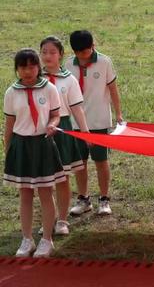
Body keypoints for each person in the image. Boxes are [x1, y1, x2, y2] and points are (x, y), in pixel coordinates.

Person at [3, 49, 64, 257]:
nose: (28, 71)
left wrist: (52, 125)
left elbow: (56, 115)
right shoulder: (11, 92)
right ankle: (27, 239)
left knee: (46, 192)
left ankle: (47, 239)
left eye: (32, 66)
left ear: (38, 67)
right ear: (17, 69)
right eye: (22, 67)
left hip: (43, 144)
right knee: (25, 193)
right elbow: (9, 123)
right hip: (21, 146)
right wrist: (8, 150)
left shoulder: (49, 88)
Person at [64, 30, 123, 216]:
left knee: (100, 160)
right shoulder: (67, 65)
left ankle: (104, 199)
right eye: (80, 53)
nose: (84, 55)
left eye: (87, 51)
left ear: (93, 46)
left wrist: (118, 114)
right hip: (76, 123)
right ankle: (83, 199)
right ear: (74, 51)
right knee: (79, 163)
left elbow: (113, 89)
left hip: (99, 121)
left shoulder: (104, 62)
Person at [40, 36, 90, 235]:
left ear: (61, 54)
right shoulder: (35, 78)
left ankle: (62, 220)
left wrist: (85, 133)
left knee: (62, 178)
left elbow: (77, 108)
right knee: (43, 180)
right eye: (44, 52)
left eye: (52, 52)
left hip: (62, 129)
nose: (48, 56)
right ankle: (47, 220)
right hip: (40, 131)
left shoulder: (69, 79)